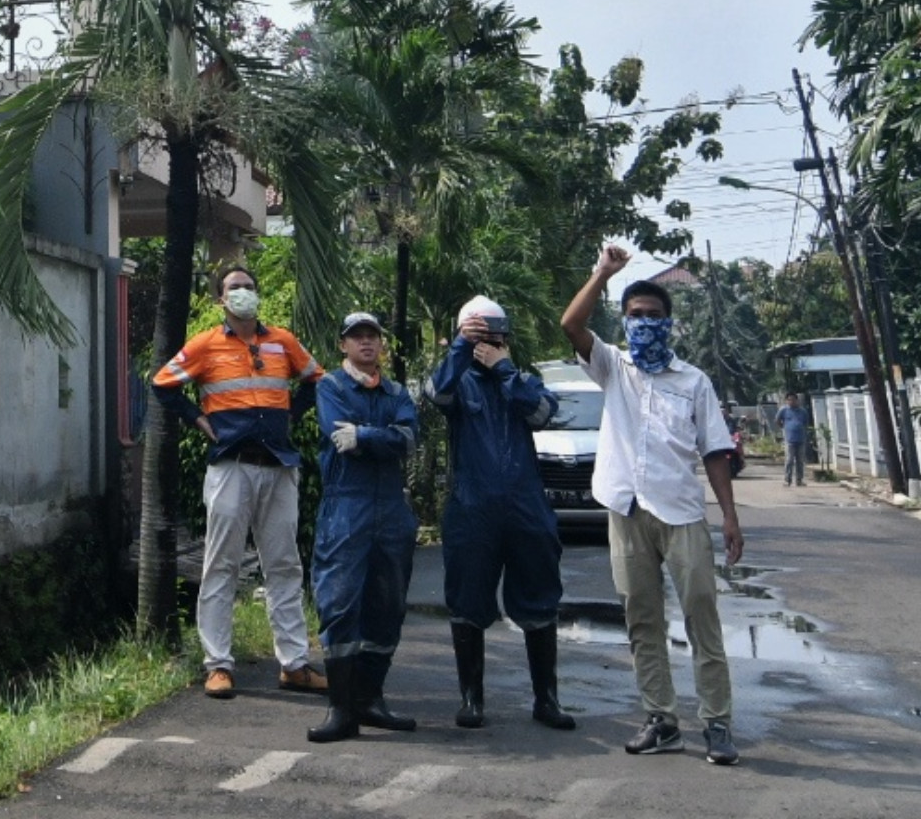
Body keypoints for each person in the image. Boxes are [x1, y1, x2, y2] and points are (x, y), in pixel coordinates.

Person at [563, 244, 745, 766]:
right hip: (625, 509)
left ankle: (717, 723)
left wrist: (729, 515)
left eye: (653, 317)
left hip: (682, 513)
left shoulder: (693, 382)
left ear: (669, 323)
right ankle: (661, 720)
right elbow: (571, 323)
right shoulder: (612, 367)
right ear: (624, 322)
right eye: (635, 316)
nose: (644, 323)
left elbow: (715, 451)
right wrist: (602, 273)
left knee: (701, 617)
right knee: (641, 619)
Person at [151, 262, 327, 699]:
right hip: (230, 464)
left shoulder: (282, 340)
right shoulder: (205, 344)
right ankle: (218, 665)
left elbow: (317, 381)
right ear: (220, 299)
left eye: (249, 286)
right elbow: (162, 384)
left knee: (285, 565)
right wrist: (197, 419)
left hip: (279, 465)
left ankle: (295, 664)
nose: (243, 292)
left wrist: (292, 414)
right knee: (221, 565)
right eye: (235, 288)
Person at [427, 294, 573, 732]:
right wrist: (459, 347)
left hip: (526, 506)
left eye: (496, 335)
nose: (490, 342)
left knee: (540, 597)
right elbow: (436, 394)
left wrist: (505, 371)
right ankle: (472, 699)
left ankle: (546, 699)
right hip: (472, 507)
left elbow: (544, 412)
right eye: (480, 335)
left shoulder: (520, 380)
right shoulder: (456, 382)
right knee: (468, 600)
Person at [306, 311, 422, 743]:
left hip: (392, 511)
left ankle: (371, 700)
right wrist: (381, 436)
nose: (366, 343)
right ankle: (341, 710)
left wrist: (366, 436)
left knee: (387, 606)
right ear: (344, 345)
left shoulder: (396, 392)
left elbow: (409, 439)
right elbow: (340, 439)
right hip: (346, 508)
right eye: (357, 337)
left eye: (372, 336)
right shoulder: (331, 387)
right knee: (339, 604)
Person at [775, 392, 813, 486]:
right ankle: (787, 480)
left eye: (793, 399)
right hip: (789, 439)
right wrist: (784, 428)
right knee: (789, 460)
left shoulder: (802, 411)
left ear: (797, 400)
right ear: (786, 401)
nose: (791, 401)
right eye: (789, 400)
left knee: (800, 461)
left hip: (801, 439)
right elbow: (777, 420)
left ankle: (799, 480)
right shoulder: (783, 410)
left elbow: (806, 423)